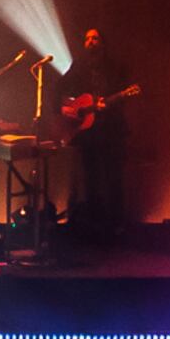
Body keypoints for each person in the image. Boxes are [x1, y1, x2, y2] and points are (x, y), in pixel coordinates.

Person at [64, 27, 135, 240]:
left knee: (113, 178)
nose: (91, 41)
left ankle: (115, 225)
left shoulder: (116, 68)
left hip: (111, 129)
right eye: (87, 38)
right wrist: (67, 107)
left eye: (95, 38)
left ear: (103, 43)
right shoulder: (78, 67)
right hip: (88, 133)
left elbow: (124, 94)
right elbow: (61, 89)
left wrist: (110, 104)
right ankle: (93, 225)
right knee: (90, 179)